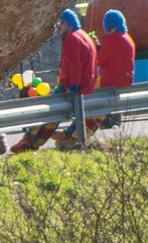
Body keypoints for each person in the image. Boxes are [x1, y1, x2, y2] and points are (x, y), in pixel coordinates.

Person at [54, 10, 97, 143]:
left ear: (68, 22)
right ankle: (69, 137)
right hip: (87, 83)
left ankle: (29, 142)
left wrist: (73, 86)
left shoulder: (72, 38)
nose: (59, 27)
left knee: (52, 111)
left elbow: (74, 65)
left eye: (60, 23)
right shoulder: (83, 35)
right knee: (81, 114)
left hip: (75, 85)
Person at [93, 9, 134, 127]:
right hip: (125, 80)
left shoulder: (111, 39)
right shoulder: (127, 38)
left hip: (111, 80)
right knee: (116, 107)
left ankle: (107, 124)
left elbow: (100, 60)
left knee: (105, 107)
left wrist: (96, 47)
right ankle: (116, 124)